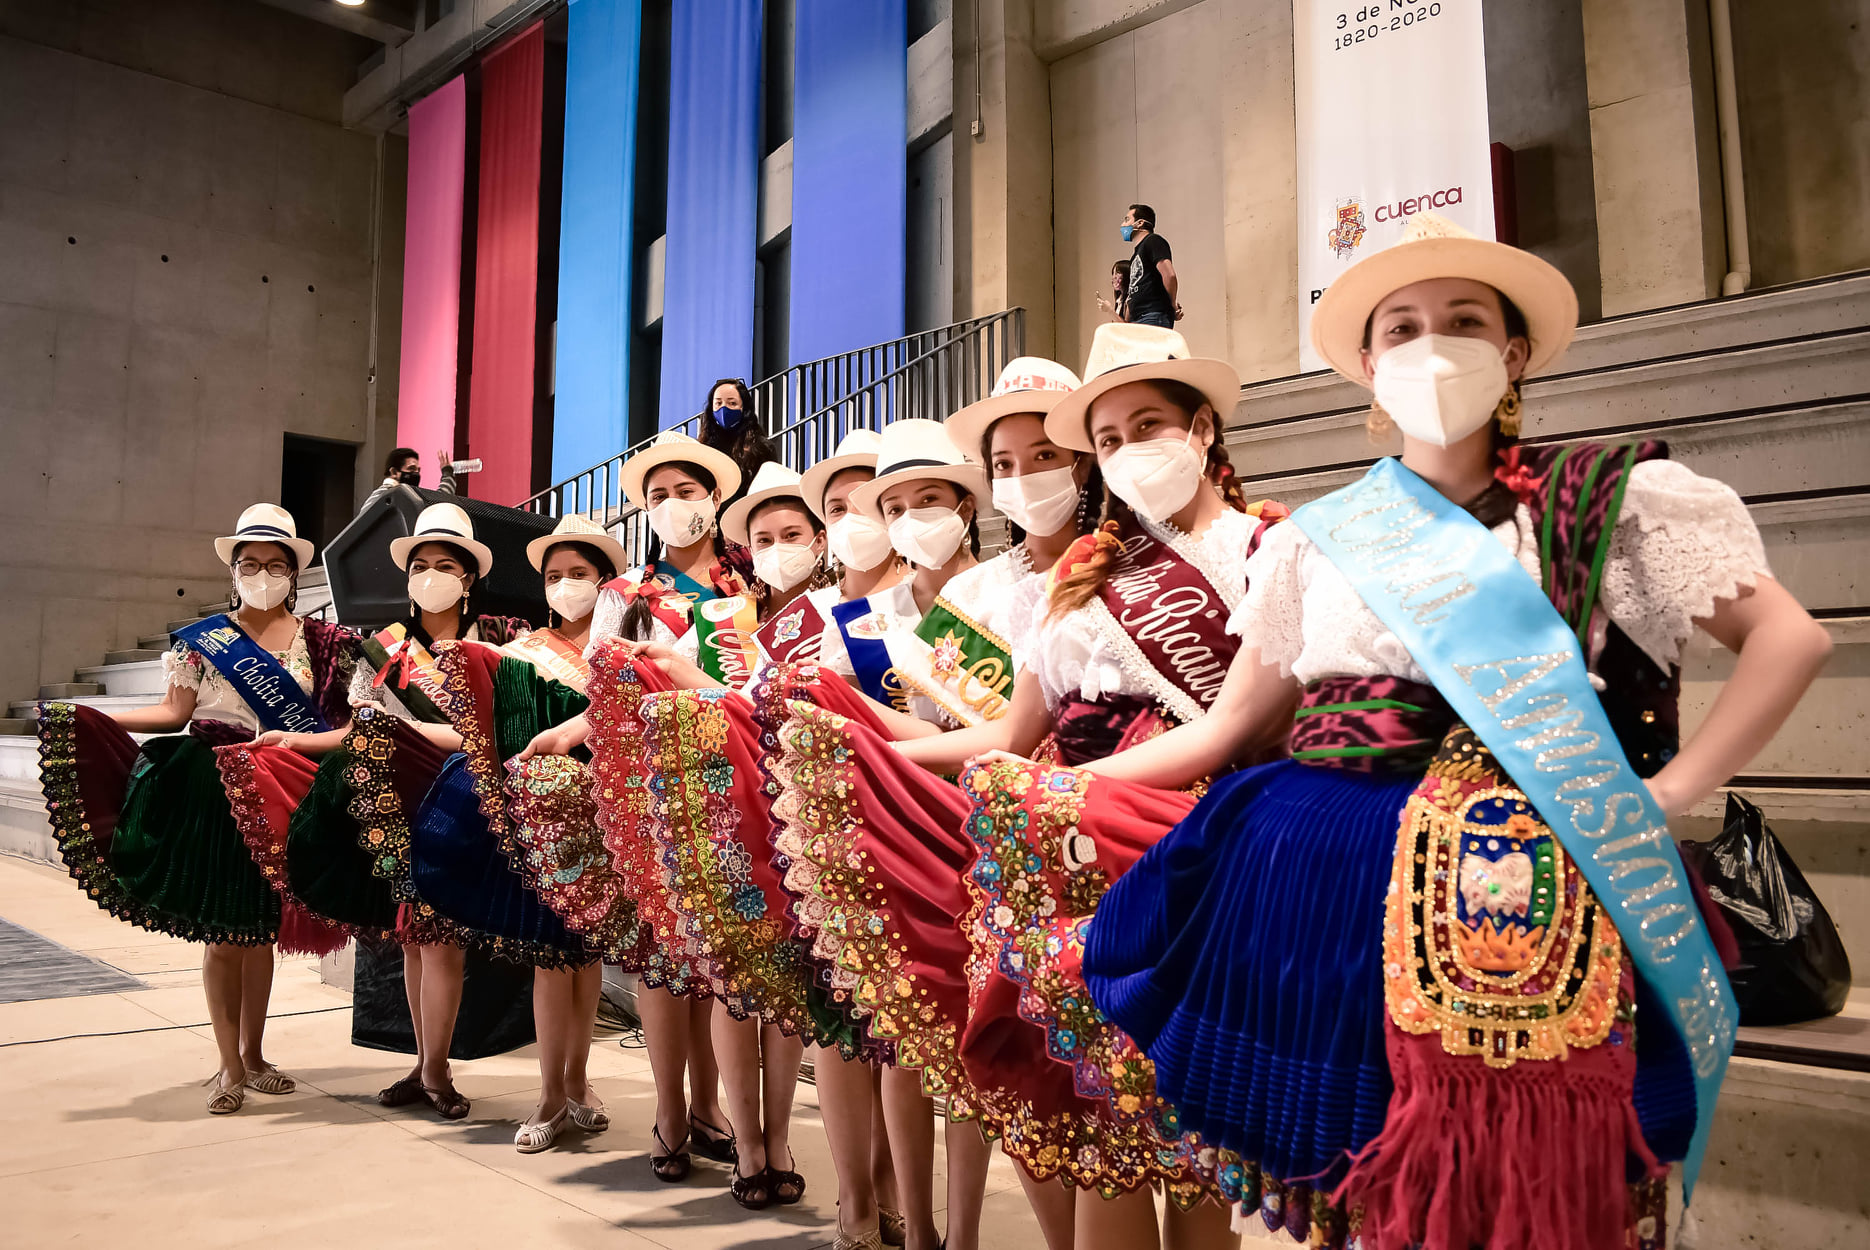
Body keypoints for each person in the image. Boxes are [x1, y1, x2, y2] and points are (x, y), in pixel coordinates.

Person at [1067, 214, 1832, 1250]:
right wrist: (1069, 783)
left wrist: (1669, 791)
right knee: (1362, 1182)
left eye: (1463, 320)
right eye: (1402, 327)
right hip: (1314, 893)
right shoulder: (1318, 541)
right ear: (1369, 366)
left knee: (1527, 1196)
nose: (1433, 344)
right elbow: (1230, 725)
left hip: (1523, 883)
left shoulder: (1610, 500)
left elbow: (1788, 640)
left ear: (1512, 353)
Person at [801, 334, 1270, 1250]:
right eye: (1005, 463)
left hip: (1181, 840)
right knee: (1092, 1112)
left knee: (1191, 1119)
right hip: (1053, 845)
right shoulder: (1024, 586)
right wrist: (859, 734)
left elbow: (1244, 719)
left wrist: (1052, 782)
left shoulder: (1254, 546)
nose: (1029, 478)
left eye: (1048, 456)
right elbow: (993, 733)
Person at [36, 504, 360, 1115]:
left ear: (294, 572)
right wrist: (96, 717)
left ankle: (257, 1053)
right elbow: (173, 713)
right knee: (222, 934)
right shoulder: (207, 640)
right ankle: (228, 1063)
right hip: (210, 788)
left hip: (281, 785)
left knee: (259, 928)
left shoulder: (322, 642)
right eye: (250, 563)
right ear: (233, 571)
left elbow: (341, 723)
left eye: (274, 564)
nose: (261, 573)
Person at [697, 377, 781, 504]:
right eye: (718, 403)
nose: (724, 409)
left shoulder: (762, 447)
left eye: (732, 403)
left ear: (744, 408)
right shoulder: (702, 448)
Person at [1119, 204, 1180, 329]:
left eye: (1127, 220)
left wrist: (1172, 304)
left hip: (1152, 316)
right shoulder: (1136, 254)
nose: (1122, 225)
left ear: (1140, 223)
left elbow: (1169, 274)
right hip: (1138, 319)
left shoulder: (1153, 241)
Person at [365, 446, 457, 507]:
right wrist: (447, 473)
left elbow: (439, 502)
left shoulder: (413, 497)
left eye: (418, 470)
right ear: (394, 472)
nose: (416, 474)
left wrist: (447, 473)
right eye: (411, 469)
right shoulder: (381, 496)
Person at [1094, 258, 1128, 323]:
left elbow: (1126, 327)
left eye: (1118, 273)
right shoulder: (1119, 299)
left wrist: (1110, 310)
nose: (1114, 277)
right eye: (1113, 273)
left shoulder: (1129, 300)